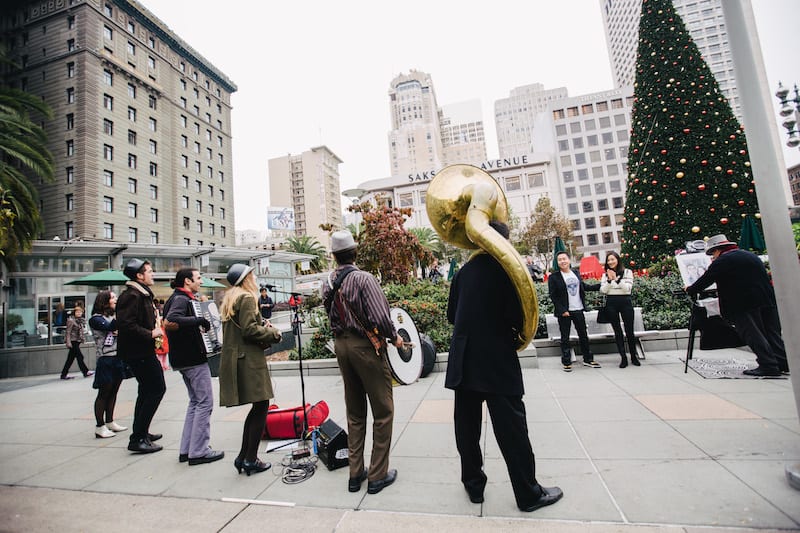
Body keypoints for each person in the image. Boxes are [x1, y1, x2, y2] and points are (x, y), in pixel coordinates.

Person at [447, 221, 563, 512]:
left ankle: (474, 487)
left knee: (467, 430)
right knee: (512, 431)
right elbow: (519, 317)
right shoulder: (508, 272)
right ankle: (528, 494)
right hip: (496, 359)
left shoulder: (463, 273)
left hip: (464, 360)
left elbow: (451, 315)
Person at [323, 230, 403, 495]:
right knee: (383, 411)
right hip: (365, 348)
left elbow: (329, 313)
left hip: (341, 347)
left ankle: (355, 474)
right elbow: (380, 318)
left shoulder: (328, 281)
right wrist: (396, 338)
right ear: (354, 252)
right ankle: (378, 475)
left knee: (355, 413)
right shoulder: (364, 279)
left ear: (334, 255)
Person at [686, 234, 789, 377]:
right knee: (772, 332)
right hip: (767, 299)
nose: (712, 257)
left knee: (753, 334)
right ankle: (782, 362)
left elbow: (705, 280)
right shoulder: (750, 255)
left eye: (712, 254)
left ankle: (768, 365)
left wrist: (690, 289)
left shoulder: (723, 260)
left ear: (717, 250)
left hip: (742, 303)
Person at [219, 263, 282, 476]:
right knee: (261, 406)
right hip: (248, 360)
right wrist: (273, 334)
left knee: (258, 408)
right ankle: (250, 459)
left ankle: (244, 456)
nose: (255, 278)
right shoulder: (246, 298)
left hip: (238, 358)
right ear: (246, 279)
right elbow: (249, 330)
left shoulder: (232, 298)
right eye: (252, 275)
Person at [163, 268, 224, 466]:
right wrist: (198, 320)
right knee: (205, 402)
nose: (200, 282)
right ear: (187, 281)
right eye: (198, 278)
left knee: (195, 403)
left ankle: (187, 449)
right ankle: (198, 451)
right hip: (192, 359)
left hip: (182, 359)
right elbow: (170, 321)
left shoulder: (178, 298)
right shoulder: (181, 299)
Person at [117, 258, 166, 453]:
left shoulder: (141, 294)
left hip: (142, 351)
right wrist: (151, 333)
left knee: (146, 391)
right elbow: (126, 325)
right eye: (149, 271)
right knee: (156, 389)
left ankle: (141, 432)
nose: (152, 274)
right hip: (138, 352)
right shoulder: (132, 296)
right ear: (139, 275)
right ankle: (137, 438)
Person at [548, 251, 601, 372]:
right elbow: (553, 296)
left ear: (569, 260)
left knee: (583, 335)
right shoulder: (554, 277)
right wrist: (562, 310)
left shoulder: (575, 273)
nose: (562, 261)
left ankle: (588, 359)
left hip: (578, 309)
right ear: (557, 262)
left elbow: (583, 287)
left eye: (564, 259)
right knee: (565, 337)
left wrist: (600, 285)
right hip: (565, 312)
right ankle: (566, 361)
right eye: (560, 259)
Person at [89, 291, 131, 438]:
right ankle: (99, 426)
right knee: (104, 393)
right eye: (113, 298)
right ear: (104, 301)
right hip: (105, 359)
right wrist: (121, 311)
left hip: (117, 357)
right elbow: (110, 327)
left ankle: (110, 421)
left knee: (114, 391)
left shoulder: (112, 316)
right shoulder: (96, 319)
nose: (115, 299)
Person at [600, 251, 641, 368]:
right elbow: (603, 290)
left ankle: (634, 356)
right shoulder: (605, 275)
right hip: (611, 303)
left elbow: (627, 289)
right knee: (617, 332)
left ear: (617, 260)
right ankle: (623, 357)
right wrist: (609, 280)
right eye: (608, 260)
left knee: (629, 331)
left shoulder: (627, 272)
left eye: (612, 259)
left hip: (625, 302)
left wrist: (617, 280)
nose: (610, 262)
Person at [61, 305, 93, 379]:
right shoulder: (71, 320)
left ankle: (63, 374)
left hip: (77, 340)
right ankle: (85, 371)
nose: (79, 313)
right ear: (74, 312)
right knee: (80, 356)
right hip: (73, 341)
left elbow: (81, 331)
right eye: (77, 312)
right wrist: (68, 342)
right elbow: (68, 332)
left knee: (70, 359)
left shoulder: (80, 320)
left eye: (80, 312)